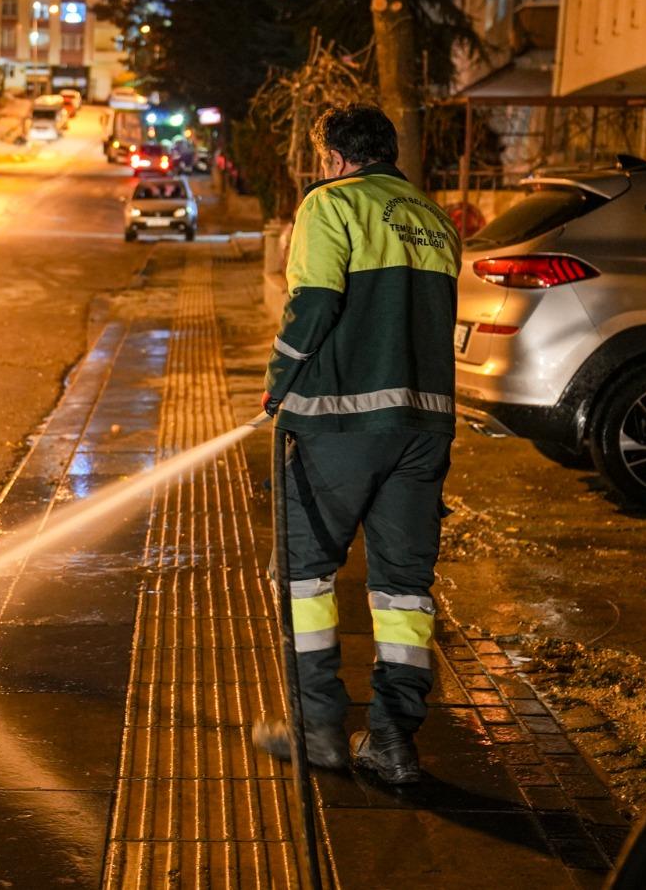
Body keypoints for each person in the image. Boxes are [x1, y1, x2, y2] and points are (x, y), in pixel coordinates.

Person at [251, 104, 460, 786]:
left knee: (304, 580)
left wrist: (279, 381)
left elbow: (313, 303)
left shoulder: (331, 205)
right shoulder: (432, 218)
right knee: (403, 592)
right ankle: (394, 743)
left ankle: (319, 733)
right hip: (423, 428)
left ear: (336, 158)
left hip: (340, 425)